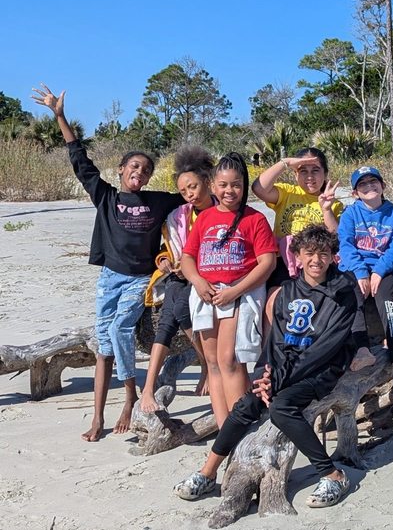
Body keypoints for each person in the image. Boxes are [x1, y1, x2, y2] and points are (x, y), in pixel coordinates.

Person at [31, 84, 184, 442]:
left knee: (119, 330)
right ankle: (98, 416)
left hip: (139, 281)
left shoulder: (158, 201)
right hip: (109, 277)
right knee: (103, 347)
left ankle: (130, 397)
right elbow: (79, 160)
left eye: (146, 170)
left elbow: (194, 194)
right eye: (134, 167)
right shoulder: (107, 197)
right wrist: (60, 116)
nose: (140, 173)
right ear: (121, 170)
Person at [173, 225, 365, 508]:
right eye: (309, 253)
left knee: (281, 406)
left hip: (321, 371)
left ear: (333, 257)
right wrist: (267, 373)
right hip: (283, 370)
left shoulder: (343, 293)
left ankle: (333, 474)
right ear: (297, 256)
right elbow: (276, 339)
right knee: (245, 406)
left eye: (323, 254)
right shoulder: (288, 291)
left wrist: (280, 380)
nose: (316, 260)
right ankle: (207, 472)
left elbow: (325, 346)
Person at [180, 153, 277, 427]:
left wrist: (235, 291)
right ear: (212, 185)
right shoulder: (205, 218)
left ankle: (239, 425)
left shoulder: (254, 219)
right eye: (223, 185)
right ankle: (224, 429)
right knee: (212, 362)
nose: (229, 191)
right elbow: (187, 257)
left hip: (237, 294)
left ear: (244, 186)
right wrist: (198, 281)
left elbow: (267, 262)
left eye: (235, 184)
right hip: (207, 294)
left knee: (230, 360)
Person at [139, 146, 216, 413]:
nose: (189, 195)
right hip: (179, 276)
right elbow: (168, 247)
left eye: (193, 187)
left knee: (179, 306)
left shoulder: (222, 210)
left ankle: (205, 363)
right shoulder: (179, 216)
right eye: (183, 192)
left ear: (207, 181)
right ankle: (149, 387)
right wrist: (164, 260)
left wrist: (193, 269)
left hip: (210, 276)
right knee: (169, 316)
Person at [339, 165, 393, 384]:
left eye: (373, 182)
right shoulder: (350, 213)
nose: (369, 187)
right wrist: (360, 272)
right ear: (355, 193)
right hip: (355, 268)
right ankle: (362, 350)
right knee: (351, 299)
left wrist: (379, 271)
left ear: (383, 186)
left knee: (388, 304)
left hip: (384, 268)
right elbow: (346, 245)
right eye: (363, 184)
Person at [251, 147, 342, 287]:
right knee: (273, 299)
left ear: (325, 173)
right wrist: (285, 162)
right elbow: (259, 188)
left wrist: (326, 209)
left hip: (316, 262)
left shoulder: (334, 204)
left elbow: (336, 237)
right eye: (303, 171)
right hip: (284, 259)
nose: (309, 177)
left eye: (315, 170)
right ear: (295, 174)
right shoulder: (288, 192)